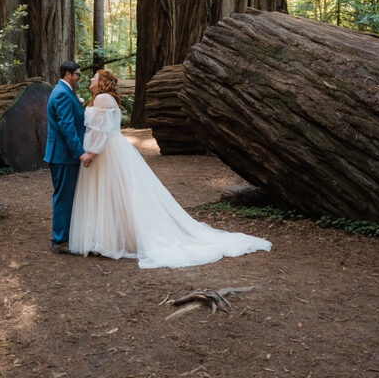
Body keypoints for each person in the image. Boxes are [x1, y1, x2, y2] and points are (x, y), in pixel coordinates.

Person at [68, 68, 272, 269]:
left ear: (103, 82)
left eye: (94, 77)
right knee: (111, 196)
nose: (91, 80)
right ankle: (108, 239)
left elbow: (100, 132)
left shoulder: (103, 98)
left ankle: (109, 241)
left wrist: (91, 154)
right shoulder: (102, 98)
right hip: (108, 151)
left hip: (106, 154)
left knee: (110, 195)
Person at [44, 61, 94, 254]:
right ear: (67, 74)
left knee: (66, 196)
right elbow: (67, 127)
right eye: (77, 75)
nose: (79, 79)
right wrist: (80, 152)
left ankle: (64, 236)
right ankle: (60, 241)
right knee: (63, 198)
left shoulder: (64, 91)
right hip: (63, 155)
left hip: (63, 154)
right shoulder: (62, 94)